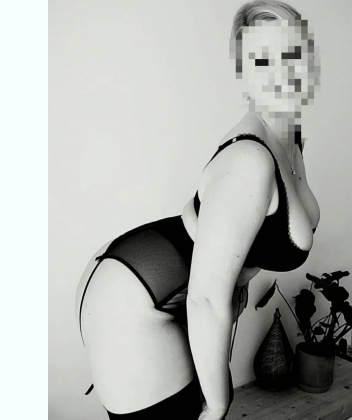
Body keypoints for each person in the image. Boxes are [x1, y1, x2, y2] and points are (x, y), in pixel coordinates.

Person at [74, 1, 321, 419]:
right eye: (262, 61)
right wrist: (220, 403)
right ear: (243, 72)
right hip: (134, 297)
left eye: (290, 53)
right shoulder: (249, 160)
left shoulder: (291, 135)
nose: (280, 72)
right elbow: (206, 299)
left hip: (172, 277)